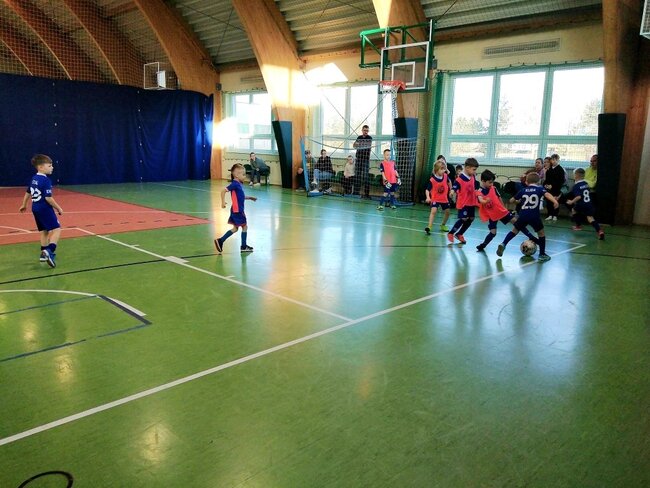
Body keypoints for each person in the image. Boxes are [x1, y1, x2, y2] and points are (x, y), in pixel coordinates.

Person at [496, 172, 559, 262]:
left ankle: (504, 243)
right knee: (541, 233)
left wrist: (518, 202)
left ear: (526, 182)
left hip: (523, 215)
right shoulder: (540, 189)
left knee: (515, 230)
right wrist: (555, 202)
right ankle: (542, 254)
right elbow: (547, 194)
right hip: (534, 216)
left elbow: (512, 200)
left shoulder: (523, 190)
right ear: (538, 181)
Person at [18, 154, 63, 268]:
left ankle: (43, 254)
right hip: (44, 208)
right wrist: (58, 207)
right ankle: (49, 251)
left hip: (35, 208)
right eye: (49, 165)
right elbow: (48, 198)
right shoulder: (46, 180)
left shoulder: (34, 178)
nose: (52, 167)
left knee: (44, 231)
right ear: (41, 167)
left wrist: (24, 204)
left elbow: (28, 192)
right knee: (57, 229)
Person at [476, 169, 537, 252]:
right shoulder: (479, 191)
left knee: (516, 222)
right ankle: (483, 245)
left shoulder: (493, 188)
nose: (491, 184)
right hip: (492, 215)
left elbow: (499, 198)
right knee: (493, 233)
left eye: (492, 182)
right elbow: (481, 200)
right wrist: (485, 201)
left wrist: (504, 208)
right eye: (490, 182)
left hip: (500, 211)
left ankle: (531, 237)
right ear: (483, 181)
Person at [214, 163, 257, 254]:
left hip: (235, 210)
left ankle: (220, 241)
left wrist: (249, 198)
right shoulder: (235, 184)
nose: (245, 176)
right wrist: (223, 202)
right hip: (238, 211)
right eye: (243, 174)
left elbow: (240, 197)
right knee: (244, 227)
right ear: (237, 175)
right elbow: (223, 191)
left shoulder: (239, 184)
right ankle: (243, 246)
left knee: (235, 228)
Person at [446, 158, 479, 244]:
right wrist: (452, 191)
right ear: (467, 168)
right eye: (474, 169)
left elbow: (474, 187)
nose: (475, 171)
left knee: (471, 218)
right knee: (463, 218)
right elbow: (455, 186)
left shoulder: (472, 176)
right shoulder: (460, 178)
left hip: (471, 202)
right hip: (463, 203)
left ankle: (459, 234)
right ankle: (451, 233)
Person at [566, 168, 604, 239]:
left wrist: (571, 201)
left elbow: (578, 197)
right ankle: (599, 231)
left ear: (576, 175)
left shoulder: (576, 186)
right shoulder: (586, 184)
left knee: (574, 210)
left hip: (581, 204)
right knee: (590, 218)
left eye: (574, 174)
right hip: (589, 204)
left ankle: (578, 226)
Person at [424, 159, 454, 234]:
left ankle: (443, 225)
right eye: (442, 169)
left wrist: (451, 190)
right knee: (433, 211)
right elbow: (427, 190)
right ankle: (429, 226)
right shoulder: (432, 180)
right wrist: (428, 197)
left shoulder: (445, 176)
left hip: (444, 198)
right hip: (435, 199)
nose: (444, 171)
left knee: (447, 212)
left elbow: (449, 182)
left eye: (444, 169)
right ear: (437, 170)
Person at [543, 153, 566, 221]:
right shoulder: (549, 169)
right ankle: (549, 214)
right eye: (552, 160)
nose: (553, 161)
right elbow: (547, 179)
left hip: (556, 189)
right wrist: (546, 185)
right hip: (549, 189)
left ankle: (555, 215)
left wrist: (552, 186)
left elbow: (561, 181)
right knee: (549, 202)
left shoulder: (560, 169)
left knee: (555, 201)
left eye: (555, 160)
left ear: (558, 160)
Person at [353, 125, 372, 198]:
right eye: (365, 130)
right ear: (362, 130)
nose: (366, 132)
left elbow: (365, 146)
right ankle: (356, 192)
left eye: (367, 130)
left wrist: (359, 144)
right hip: (358, 159)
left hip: (365, 160)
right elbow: (354, 146)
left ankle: (366, 194)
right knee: (357, 176)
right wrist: (357, 144)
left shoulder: (369, 138)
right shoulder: (359, 137)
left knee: (365, 176)